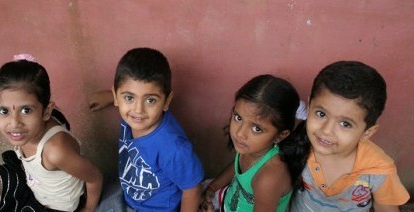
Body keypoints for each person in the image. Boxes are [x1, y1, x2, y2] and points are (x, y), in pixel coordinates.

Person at [0, 54, 103, 212]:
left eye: (26, 110)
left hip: (53, 206)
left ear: (47, 111)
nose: (14, 123)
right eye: (3, 111)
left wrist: (89, 208)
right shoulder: (27, 131)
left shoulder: (56, 151)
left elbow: (94, 177)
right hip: (29, 179)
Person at [89, 47, 204, 212]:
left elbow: (192, 189)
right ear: (117, 97)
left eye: (150, 100)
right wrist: (109, 97)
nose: (138, 110)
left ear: (166, 101)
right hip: (128, 195)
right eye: (129, 98)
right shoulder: (135, 115)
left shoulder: (173, 148)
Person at [291, 61, 410, 211]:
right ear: (309, 106)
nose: (326, 130)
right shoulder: (300, 143)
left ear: (367, 133)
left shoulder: (377, 169)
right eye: (321, 114)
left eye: (345, 124)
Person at [199, 74, 308, 212]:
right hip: (231, 199)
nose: (240, 133)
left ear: (280, 136)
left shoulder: (268, 178)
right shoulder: (253, 147)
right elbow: (237, 167)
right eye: (238, 118)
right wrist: (212, 187)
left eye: (257, 129)